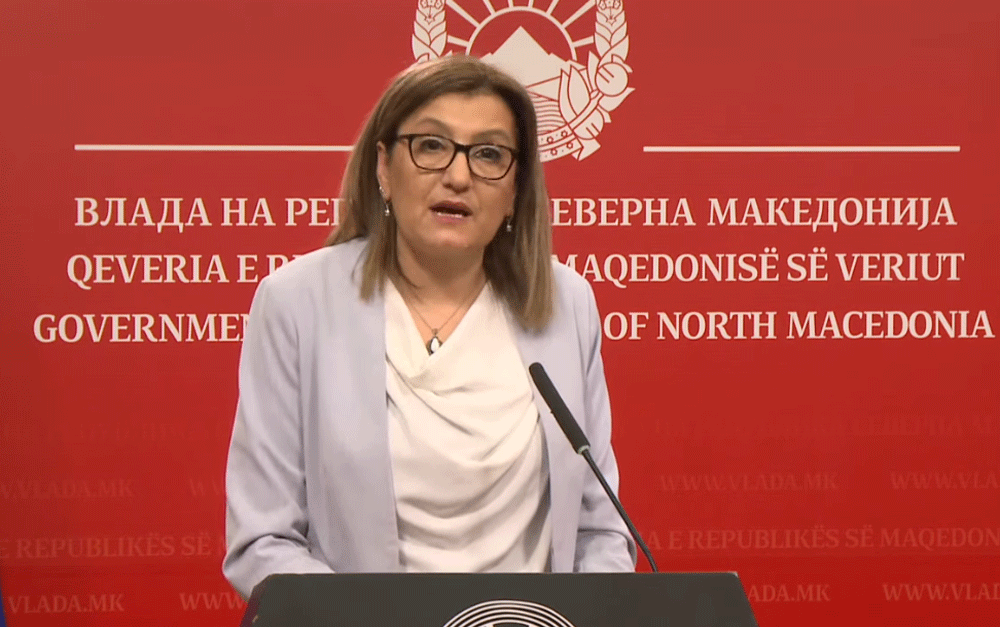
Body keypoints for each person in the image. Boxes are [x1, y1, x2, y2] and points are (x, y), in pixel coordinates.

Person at [223, 55, 636, 599]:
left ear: (515, 189)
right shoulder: (298, 302)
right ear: (383, 168)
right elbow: (264, 540)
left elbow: (599, 530)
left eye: (489, 154)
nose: (458, 176)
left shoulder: (565, 303)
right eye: (432, 146)